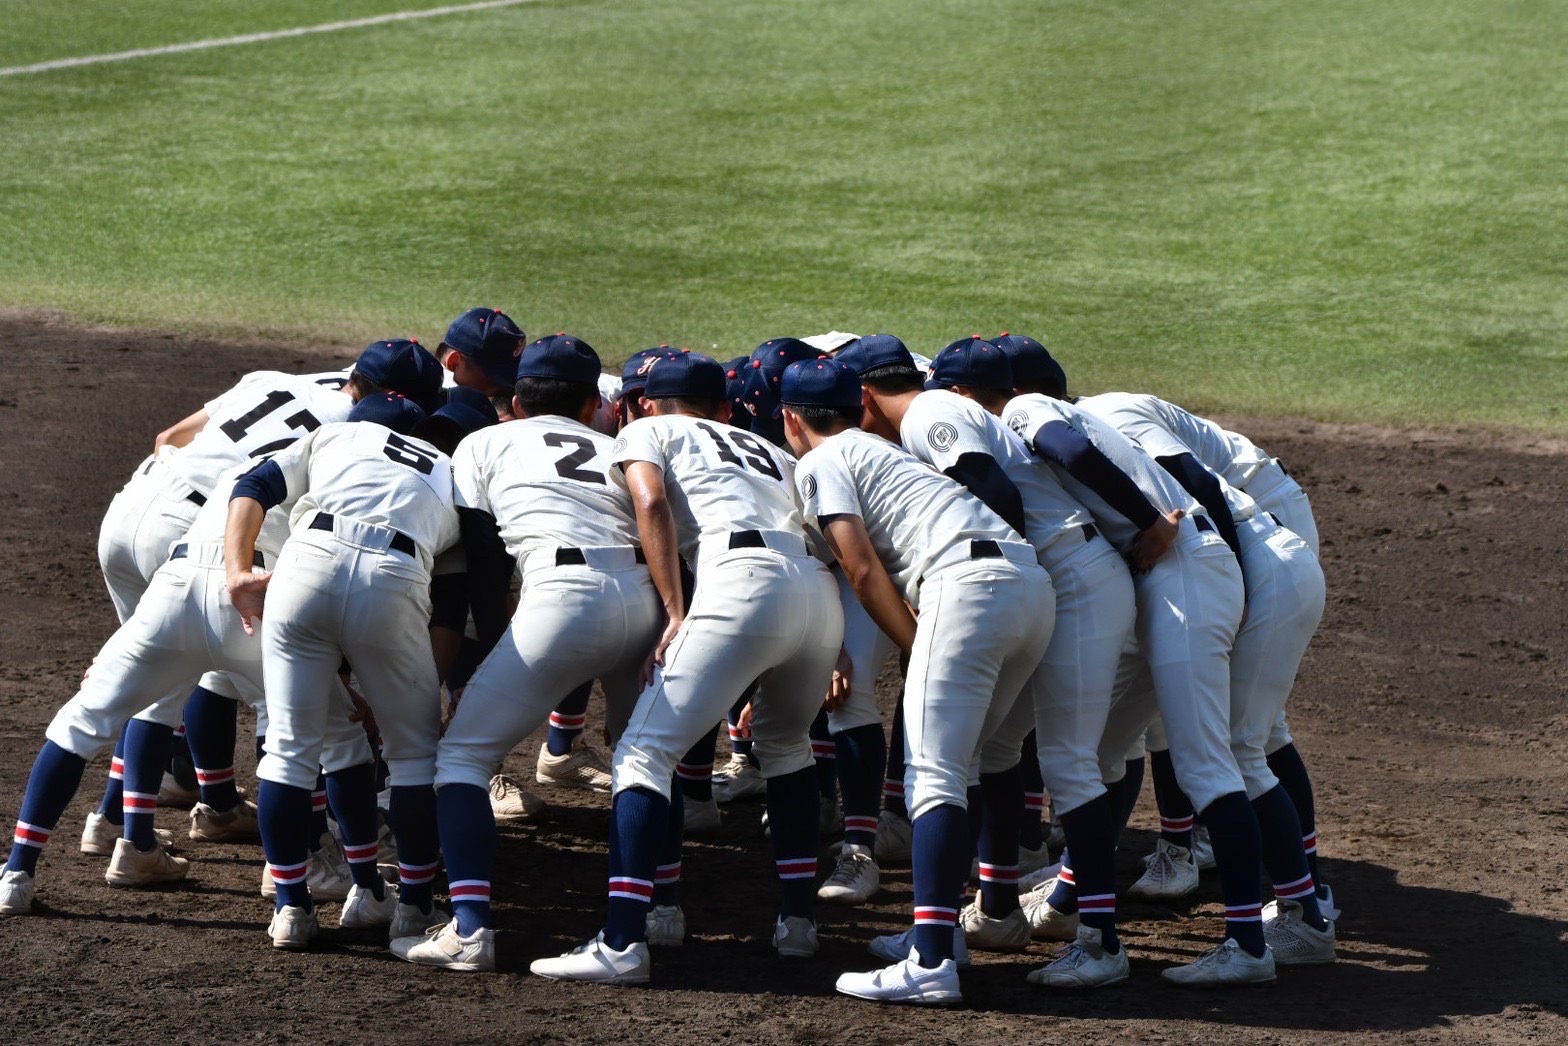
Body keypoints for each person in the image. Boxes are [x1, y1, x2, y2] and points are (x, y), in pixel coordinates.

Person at [529, 353, 842, 985]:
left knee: (642, 754)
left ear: (646, 403)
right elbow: (826, 542)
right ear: (723, 406)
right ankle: (799, 926)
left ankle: (622, 942)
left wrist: (676, 610)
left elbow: (649, 503)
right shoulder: (773, 452)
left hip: (739, 579)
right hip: (816, 592)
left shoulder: (648, 431)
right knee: (786, 749)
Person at [780, 357, 1054, 1005]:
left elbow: (860, 566)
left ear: (792, 420)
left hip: (966, 591)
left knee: (934, 776)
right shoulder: (883, 452)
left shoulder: (819, 461)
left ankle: (931, 961)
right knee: (979, 763)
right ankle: (951, 930)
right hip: (1029, 589)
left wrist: (913, 644)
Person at [393, 335, 661, 972]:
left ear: (513, 400)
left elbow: (482, 560)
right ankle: (661, 911)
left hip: (562, 600)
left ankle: (469, 929)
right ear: (593, 406)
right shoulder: (620, 445)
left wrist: (484, 655)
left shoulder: (483, 440)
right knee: (645, 760)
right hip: (645, 600)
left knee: (461, 758)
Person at [225, 392, 460, 951]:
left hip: (306, 564)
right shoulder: (449, 470)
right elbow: (451, 602)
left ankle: (291, 909)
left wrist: (238, 571)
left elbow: (252, 487)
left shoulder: (336, 435)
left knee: (289, 750)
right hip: (397, 575)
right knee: (412, 758)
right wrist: (424, 687)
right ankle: (411, 908)